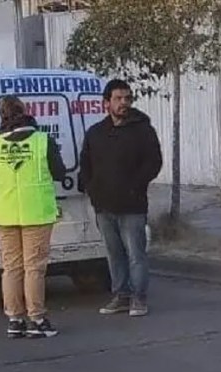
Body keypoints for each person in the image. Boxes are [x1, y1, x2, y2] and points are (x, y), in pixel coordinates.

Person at [0, 95, 66, 339]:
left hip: (6, 213)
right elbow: (59, 171)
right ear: (25, 111)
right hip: (36, 212)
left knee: (11, 268)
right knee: (34, 268)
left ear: (1, 116)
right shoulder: (42, 141)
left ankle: (15, 319)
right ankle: (37, 319)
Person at [79, 79, 163, 317]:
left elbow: (154, 163)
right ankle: (121, 295)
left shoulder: (143, 130)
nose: (124, 103)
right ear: (106, 103)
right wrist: (93, 189)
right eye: (118, 98)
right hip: (104, 206)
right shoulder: (96, 133)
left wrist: (135, 186)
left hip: (132, 205)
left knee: (136, 254)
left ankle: (139, 297)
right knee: (114, 253)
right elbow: (86, 164)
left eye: (127, 98)